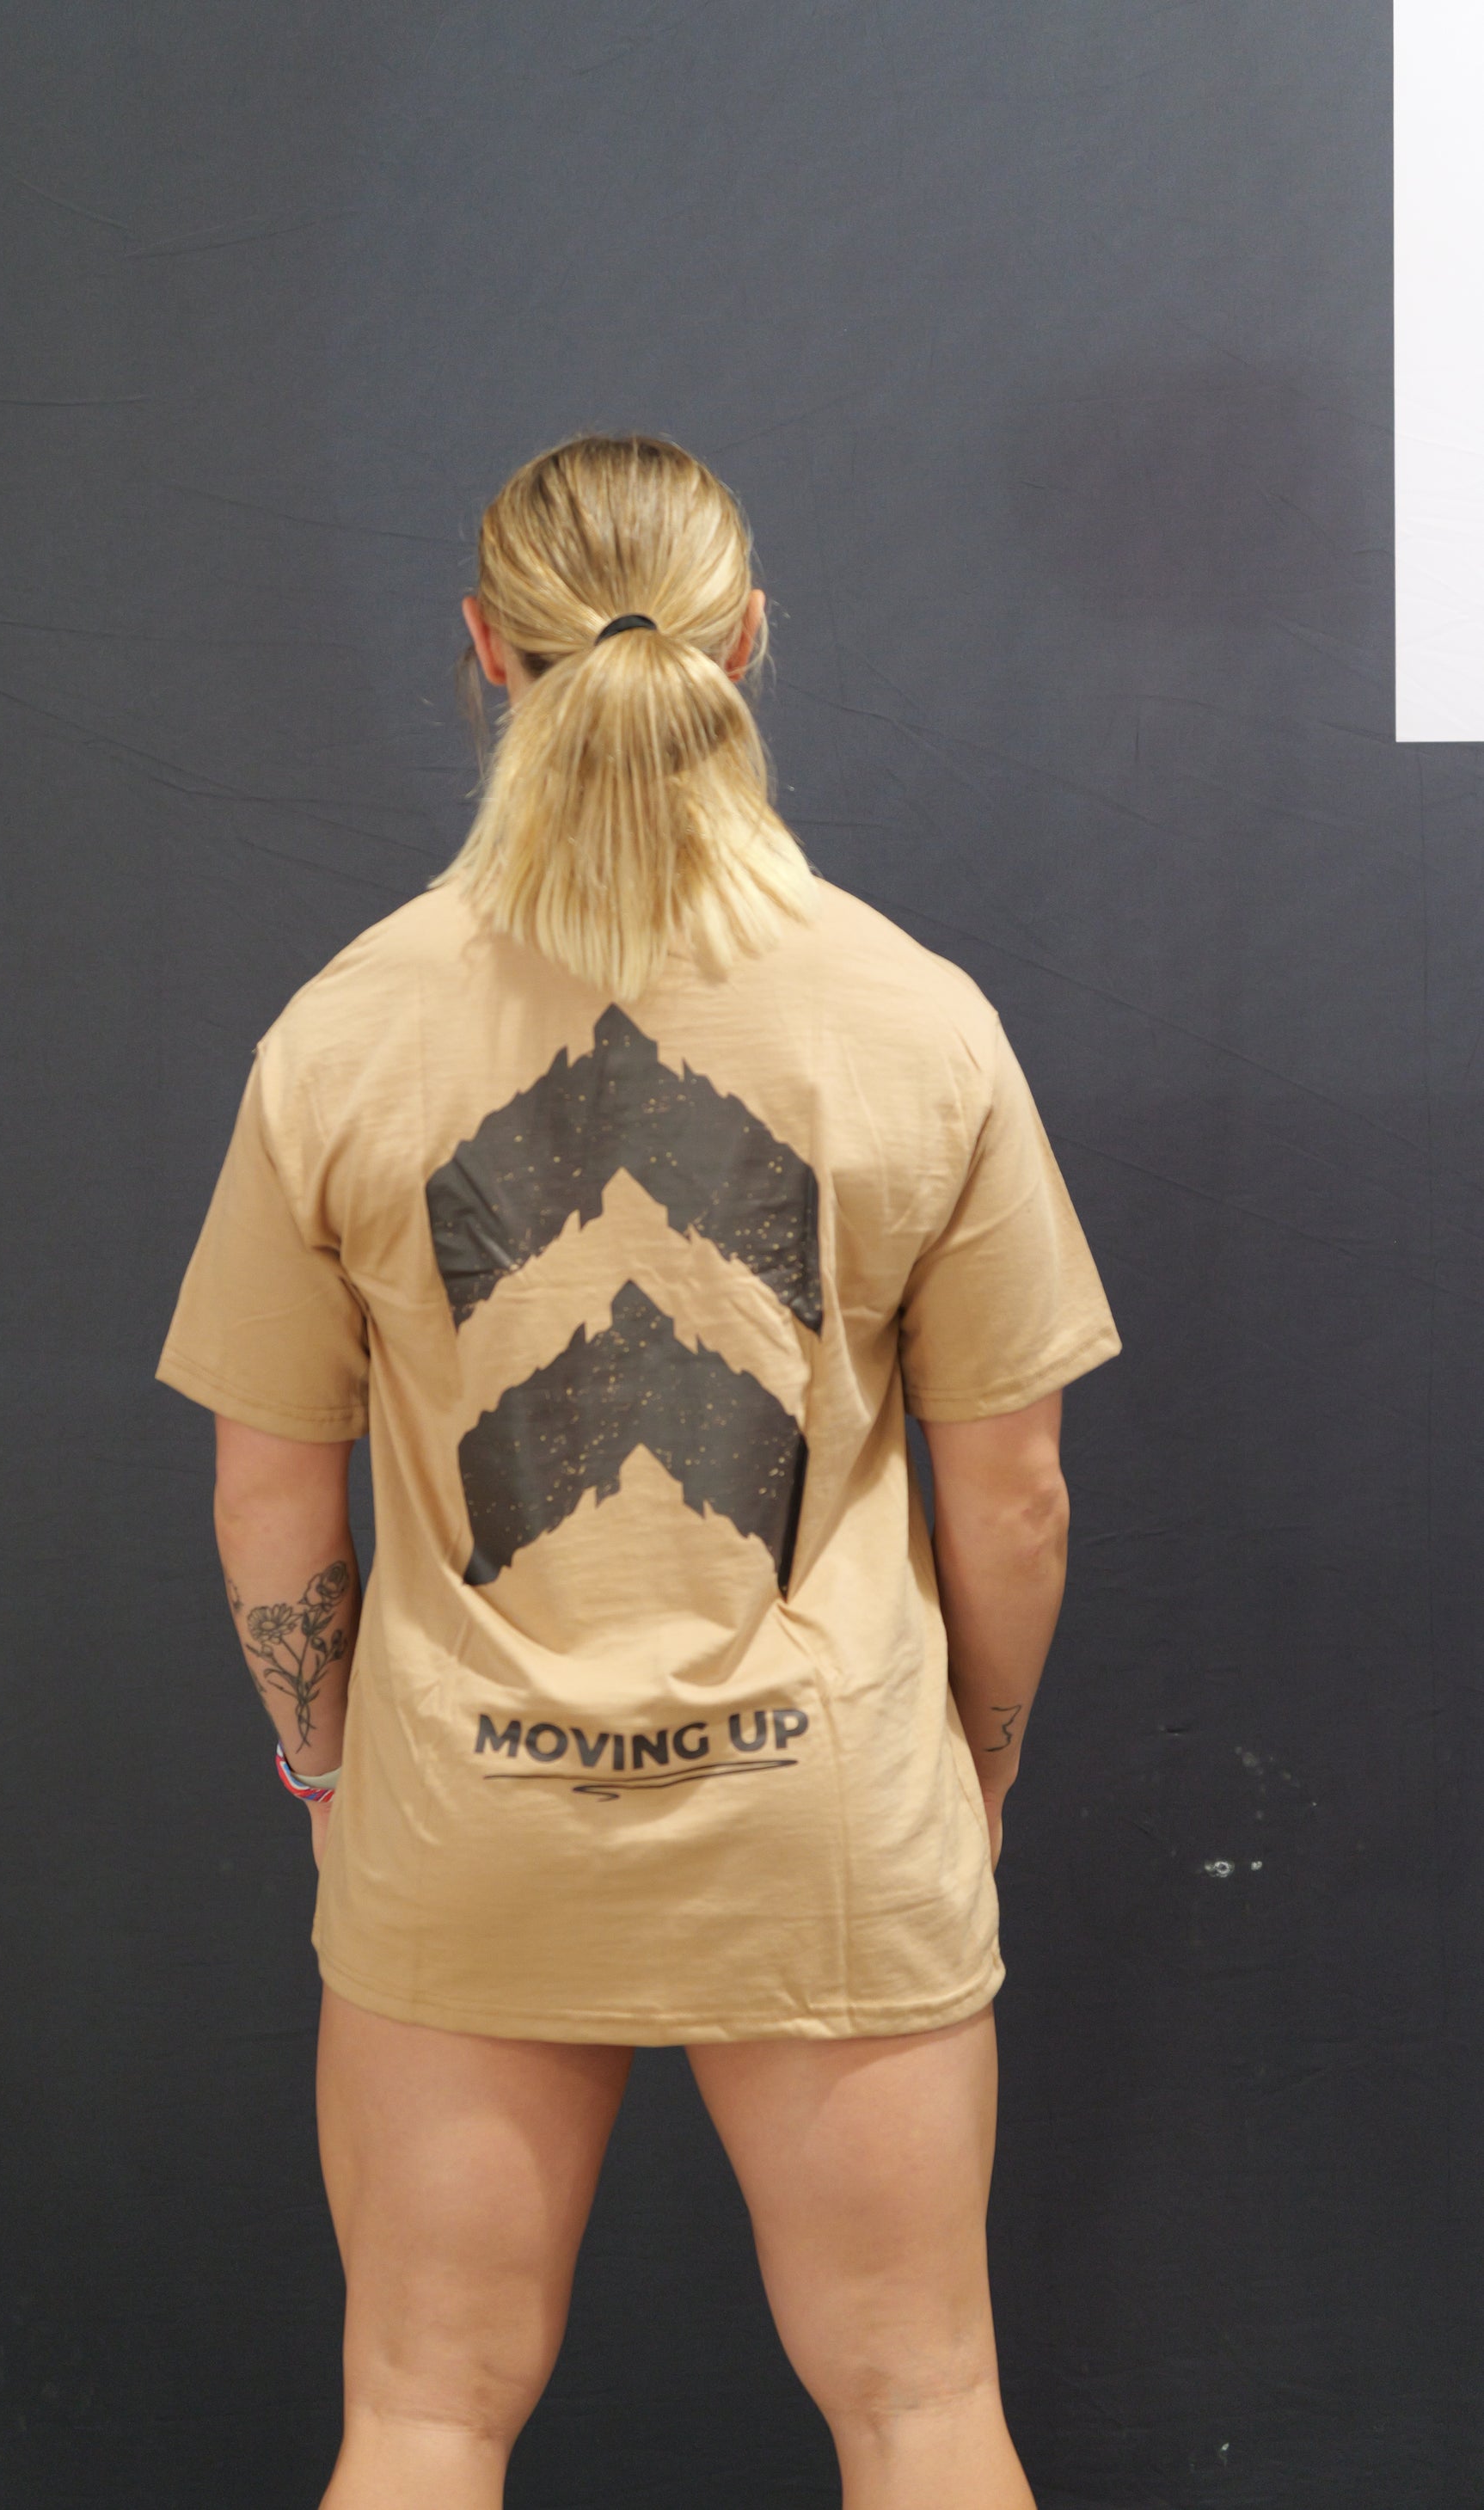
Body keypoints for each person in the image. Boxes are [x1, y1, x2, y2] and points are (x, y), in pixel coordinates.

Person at [156, 431, 1120, 2510]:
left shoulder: (341, 1032)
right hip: (829, 1810)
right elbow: (1015, 1492)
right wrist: (974, 1764)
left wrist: (327, 1774)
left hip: (465, 1814)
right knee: (922, 2404)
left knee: (423, 2416)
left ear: (479, 649)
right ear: (748, 642)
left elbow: (266, 1497)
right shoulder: (916, 1018)